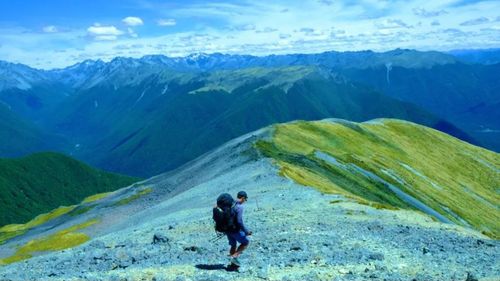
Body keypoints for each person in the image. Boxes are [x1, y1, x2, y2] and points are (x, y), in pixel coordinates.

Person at [226, 191, 252, 266]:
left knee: (233, 245)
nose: (244, 201)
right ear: (243, 198)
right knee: (245, 242)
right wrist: (246, 231)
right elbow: (239, 221)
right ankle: (234, 257)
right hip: (235, 230)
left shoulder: (231, 204)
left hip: (227, 230)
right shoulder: (239, 207)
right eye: (245, 199)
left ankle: (233, 264)